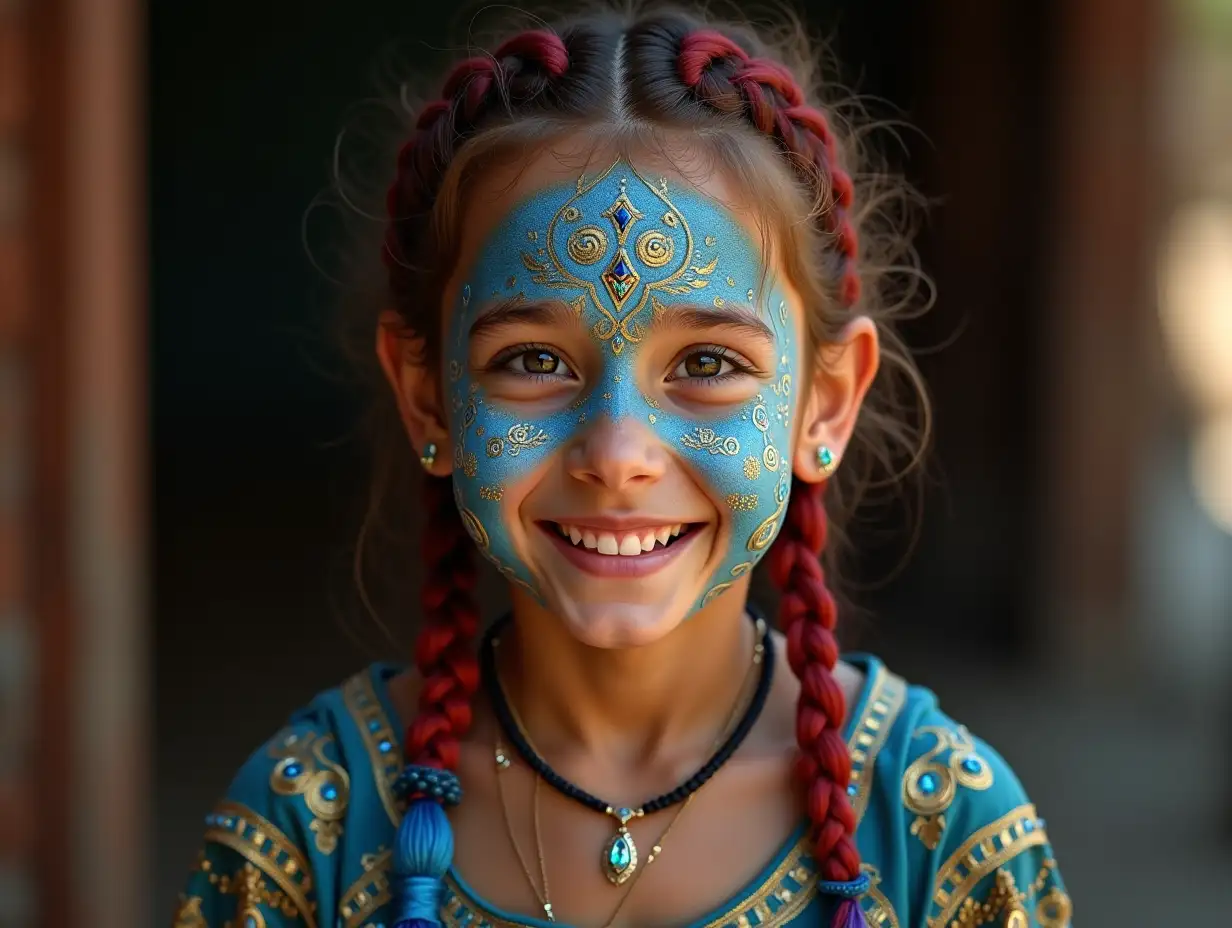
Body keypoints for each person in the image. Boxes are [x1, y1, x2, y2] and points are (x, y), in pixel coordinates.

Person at [172, 6, 1073, 928]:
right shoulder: (308, 828)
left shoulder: (943, 836)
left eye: (708, 366)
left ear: (824, 402)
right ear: (427, 395)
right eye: (533, 360)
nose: (616, 455)